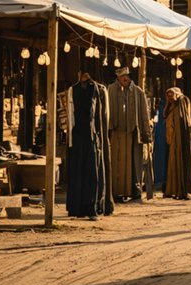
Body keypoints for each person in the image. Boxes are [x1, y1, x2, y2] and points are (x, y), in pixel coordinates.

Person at [65, 71, 112, 219]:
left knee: (93, 172)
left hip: (93, 136)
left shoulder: (99, 90)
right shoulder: (72, 90)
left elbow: (102, 116)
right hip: (78, 137)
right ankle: (78, 207)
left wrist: (99, 136)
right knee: (80, 170)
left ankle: (93, 205)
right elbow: (70, 114)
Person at [107, 67, 153, 202]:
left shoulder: (138, 92)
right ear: (118, 78)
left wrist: (146, 132)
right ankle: (117, 191)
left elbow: (144, 113)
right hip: (117, 132)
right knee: (118, 162)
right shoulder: (111, 90)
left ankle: (135, 190)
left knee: (135, 163)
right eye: (122, 77)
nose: (125, 79)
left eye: (126, 76)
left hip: (134, 132)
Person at [163, 87, 191, 200]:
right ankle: (172, 189)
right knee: (173, 164)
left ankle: (182, 190)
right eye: (168, 96)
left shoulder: (182, 101)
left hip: (181, 140)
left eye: (172, 95)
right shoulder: (170, 105)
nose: (170, 98)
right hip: (173, 140)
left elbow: (185, 120)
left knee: (181, 163)